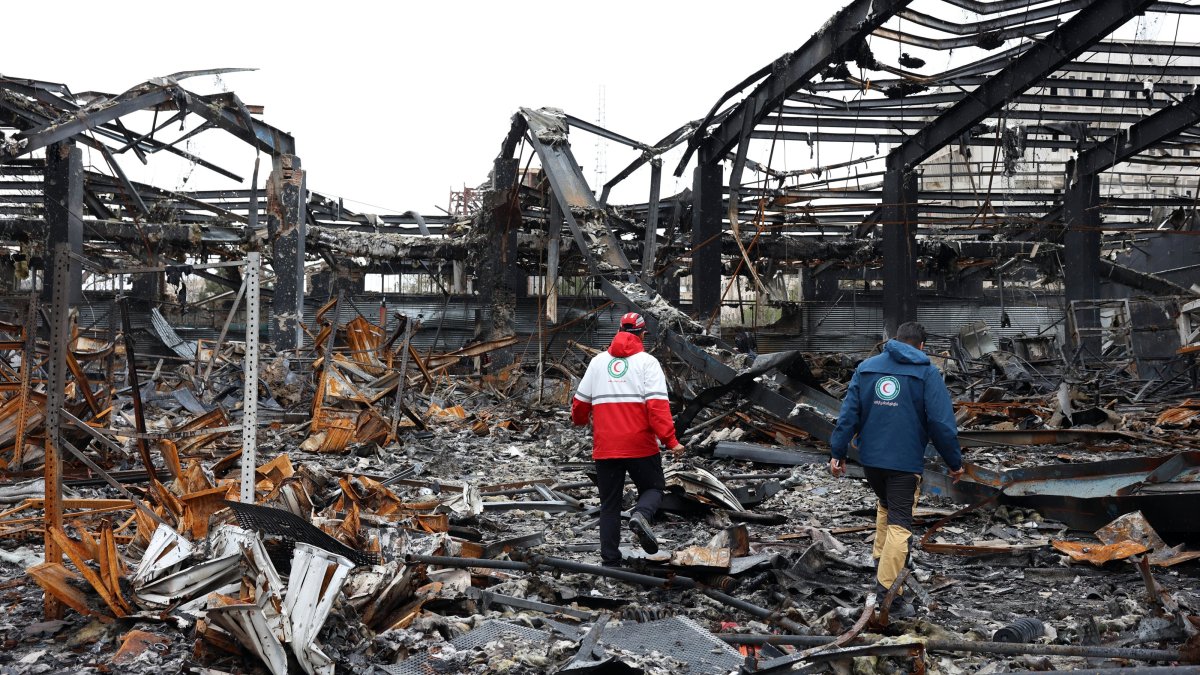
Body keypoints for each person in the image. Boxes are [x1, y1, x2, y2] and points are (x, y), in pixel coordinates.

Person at [828, 321, 964, 618]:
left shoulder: (866, 368)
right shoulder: (927, 372)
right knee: (901, 524)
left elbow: (848, 415)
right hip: (904, 463)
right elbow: (941, 424)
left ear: (894, 341)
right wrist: (955, 463)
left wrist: (837, 453)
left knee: (886, 507)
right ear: (922, 346)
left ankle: (883, 563)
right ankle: (889, 594)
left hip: (871, 462)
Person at [571, 312, 685, 567]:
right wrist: (671, 441)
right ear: (643, 334)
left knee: (609, 505)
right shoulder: (648, 363)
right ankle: (641, 515)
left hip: (606, 447)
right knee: (654, 488)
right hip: (640, 445)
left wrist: (579, 421)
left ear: (619, 331)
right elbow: (657, 408)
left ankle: (610, 562)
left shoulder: (598, 362)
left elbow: (579, 405)